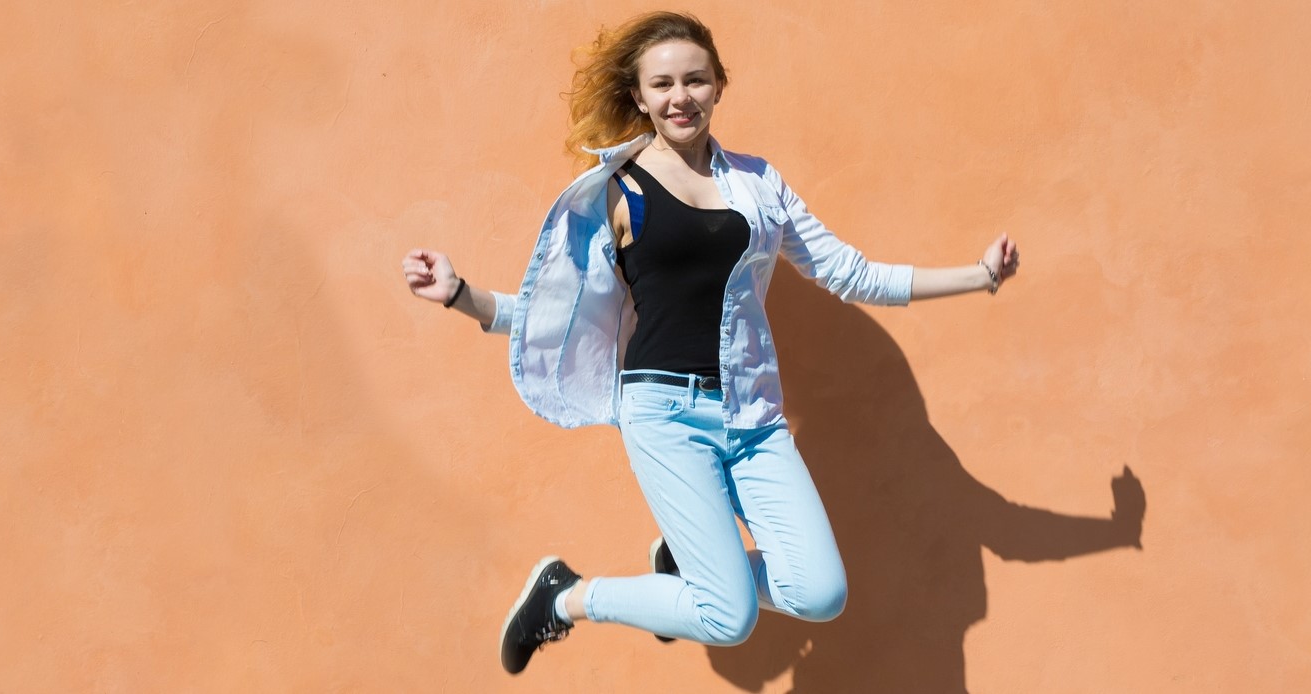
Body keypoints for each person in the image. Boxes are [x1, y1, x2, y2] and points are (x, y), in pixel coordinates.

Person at [399, 11, 1019, 676]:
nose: (680, 97)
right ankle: (567, 596)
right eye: (662, 84)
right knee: (728, 617)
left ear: (718, 85)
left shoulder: (758, 185)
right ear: (640, 96)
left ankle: (686, 563)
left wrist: (980, 277)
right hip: (664, 415)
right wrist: (464, 295)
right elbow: (560, 316)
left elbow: (851, 272)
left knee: (821, 594)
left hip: (753, 416)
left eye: (695, 80)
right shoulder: (618, 192)